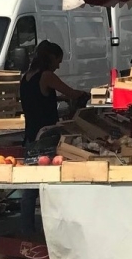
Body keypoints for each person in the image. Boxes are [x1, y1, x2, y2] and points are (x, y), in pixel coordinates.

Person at [19, 41, 89, 237]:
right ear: (49, 58)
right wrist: (83, 94)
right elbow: (71, 92)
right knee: (51, 183)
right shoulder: (47, 76)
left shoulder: (26, 78)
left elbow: (38, 99)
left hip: (31, 134)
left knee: (30, 187)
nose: (58, 65)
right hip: (47, 136)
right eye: (58, 60)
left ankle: (27, 230)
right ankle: (52, 231)